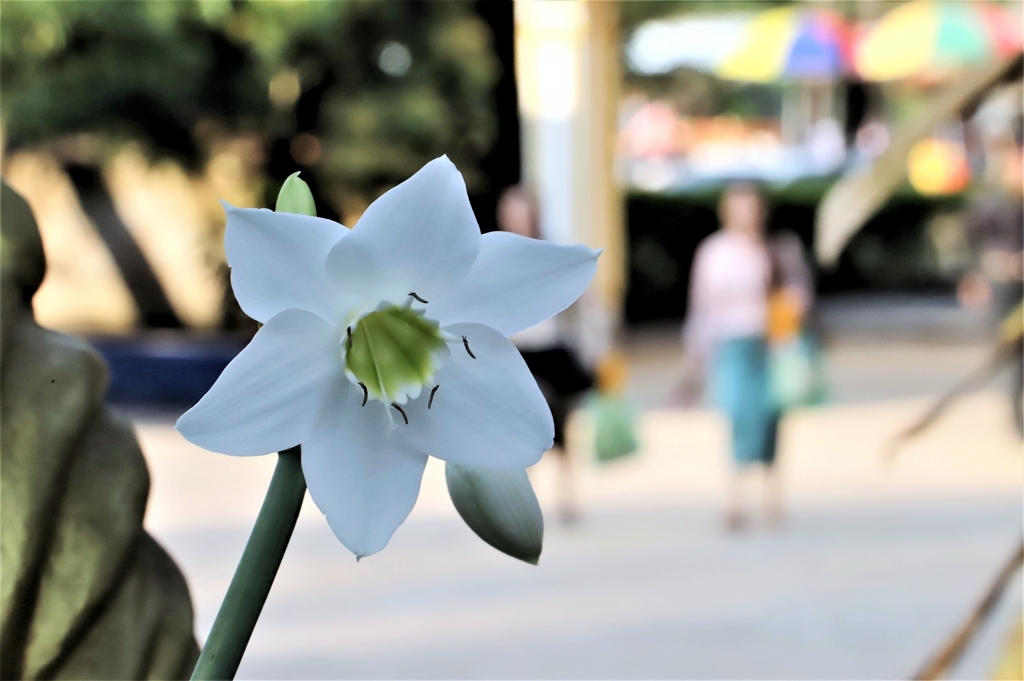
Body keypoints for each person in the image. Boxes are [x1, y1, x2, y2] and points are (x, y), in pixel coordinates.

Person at [682, 182, 783, 531]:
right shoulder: (713, 252)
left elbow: (792, 295)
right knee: (738, 415)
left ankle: (772, 494)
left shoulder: (772, 250)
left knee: (770, 416)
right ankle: (736, 496)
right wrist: (695, 353)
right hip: (730, 342)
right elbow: (702, 305)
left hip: (768, 342)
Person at [497, 185, 595, 524]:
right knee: (522, 429)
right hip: (518, 350)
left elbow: (579, 308)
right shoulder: (495, 257)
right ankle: (527, 499)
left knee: (561, 429)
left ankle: (567, 497)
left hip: (552, 350)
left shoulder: (551, 252)